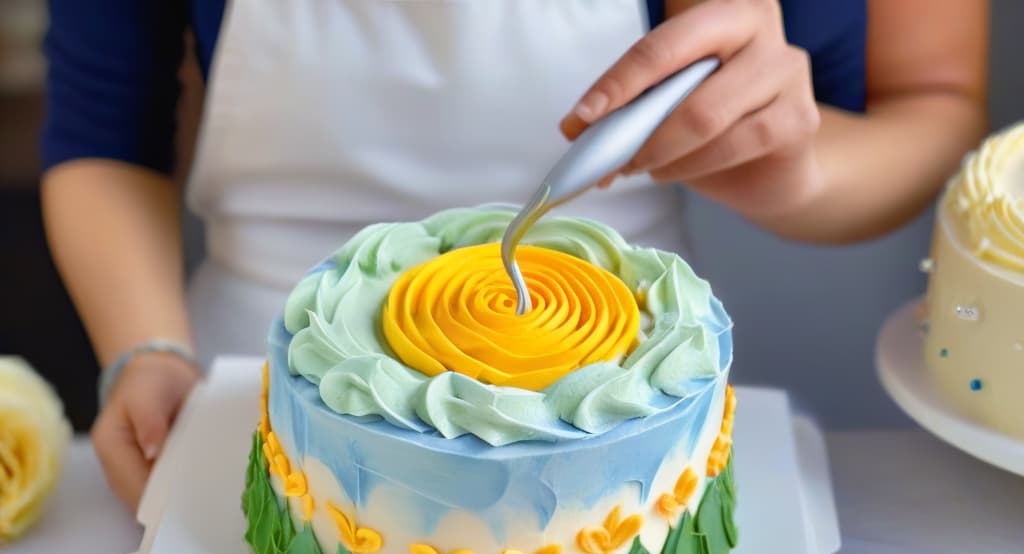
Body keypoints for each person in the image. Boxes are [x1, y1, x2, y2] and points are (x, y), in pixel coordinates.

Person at [41, 0, 988, 508]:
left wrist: (799, 169)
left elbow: (937, 101)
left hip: (613, 414)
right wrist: (145, 348)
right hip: (249, 396)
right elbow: (102, 129)